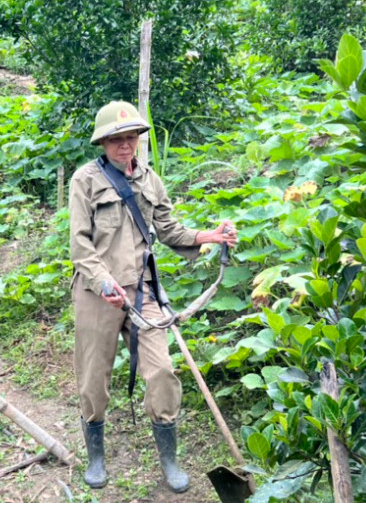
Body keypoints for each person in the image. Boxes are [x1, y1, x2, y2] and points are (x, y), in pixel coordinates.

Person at [68, 101, 238, 493]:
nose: (125, 146)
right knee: (94, 378)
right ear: (103, 142)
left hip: (142, 292)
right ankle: (96, 455)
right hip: (98, 295)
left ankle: (169, 459)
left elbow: (169, 229)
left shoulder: (150, 180)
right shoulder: (85, 181)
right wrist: (104, 283)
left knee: (161, 371)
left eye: (131, 138)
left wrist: (208, 236)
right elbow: (80, 247)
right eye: (116, 139)